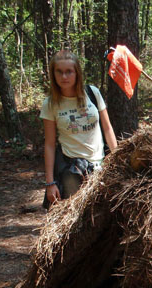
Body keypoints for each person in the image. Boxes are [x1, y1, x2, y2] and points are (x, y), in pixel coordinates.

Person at [40, 50, 118, 208]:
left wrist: (118, 159)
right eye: (59, 72)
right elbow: (49, 144)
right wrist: (50, 183)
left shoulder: (92, 93)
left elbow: (107, 128)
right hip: (72, 172)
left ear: (77, 73)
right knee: (77, 222)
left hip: (101, 166)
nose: (64, 77)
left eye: (69, 71)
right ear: (53, 74)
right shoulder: (50, 104)